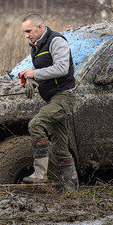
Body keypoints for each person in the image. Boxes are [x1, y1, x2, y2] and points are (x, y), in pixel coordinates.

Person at [17, 12, 78, 192]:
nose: (26, 35)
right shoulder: (36, 45)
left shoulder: (56, 41)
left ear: (40, 27)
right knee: (61, 149)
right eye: (24, 32)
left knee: (36, 125)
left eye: (28, 31)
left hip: (64, 96)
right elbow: (45, 69)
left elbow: (61, 68)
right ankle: (72, 193)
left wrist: (34, 74)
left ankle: (39, 174)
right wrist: (31, 80)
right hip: (51, 98)